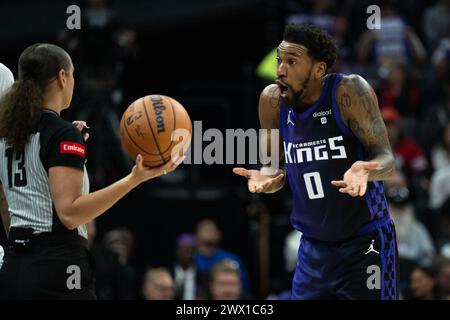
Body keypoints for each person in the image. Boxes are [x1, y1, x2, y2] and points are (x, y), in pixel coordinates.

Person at [0, 43, 182, 299]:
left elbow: (11, 198)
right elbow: (70, 214)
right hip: (56, 267)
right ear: (63, 77)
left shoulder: (9, 133)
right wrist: (134, 179)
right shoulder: (62, 132)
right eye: (72, 74)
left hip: (14, 266)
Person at [234, 24, 398, 300]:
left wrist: (365, 171)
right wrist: (268, 178)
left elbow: (387, 160)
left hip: (365, 243)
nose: (280, 70)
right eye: (279, 61)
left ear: (319, 70)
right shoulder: (271, 101)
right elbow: (275, 169)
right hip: (313, 250)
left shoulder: (348, 92)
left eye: (291, 61)